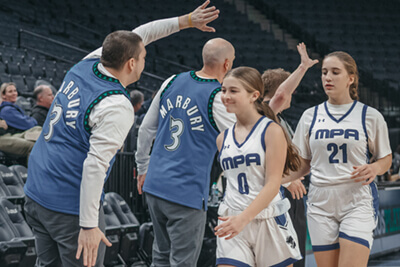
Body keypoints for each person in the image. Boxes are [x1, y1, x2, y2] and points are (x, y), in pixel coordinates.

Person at [23, 2, 220, 266]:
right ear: (131, 63)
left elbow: (141, 34)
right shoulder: (116, 103)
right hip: (67, 205)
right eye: (143, 57)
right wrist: (89, 225)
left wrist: (186, 20)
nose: (144, 60)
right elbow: (95, 166)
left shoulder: (86, 64)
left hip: (36, 191)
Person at [284, 51, 392, 266]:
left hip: (356, 198)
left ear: (350, 78)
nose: (327, 78)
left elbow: (385, 159)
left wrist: (374, 169)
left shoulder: (369, 115)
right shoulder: (310, 116)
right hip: (320, 201)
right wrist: (275, 179)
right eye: (324, 72)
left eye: (335, 72)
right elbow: (303, 164)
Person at [135, 37, 236, 266]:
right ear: (227, 64)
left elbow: (146, 130)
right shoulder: (217, 98)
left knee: (160, 256)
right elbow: (242, 141)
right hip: (186, 192)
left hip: (155, 184)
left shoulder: (171, 81)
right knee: (182, 262)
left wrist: (142, 167)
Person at [214, 66, 302, 266]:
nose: (226, 96)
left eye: (233, 91)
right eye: (224, 90)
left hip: (269, 220)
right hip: (232, 219)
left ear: (254, 95)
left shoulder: (271, 131)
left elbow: (273, 184)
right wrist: (238, 219)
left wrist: (244, 218)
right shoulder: (222, 138)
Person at [262, 42, 318, 267]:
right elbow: (260, 157)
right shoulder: (264, 114)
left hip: (290, 192)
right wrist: (286, 182)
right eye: (291, 91)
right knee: (286, 256)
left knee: (295, 254)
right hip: (279, 194)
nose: (292, 96)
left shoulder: (280, 119)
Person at [0, 82, 41, 156]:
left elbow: (31, 123)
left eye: (15, 91)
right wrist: (32, 120)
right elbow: (29, 124)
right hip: (7, 136)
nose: (14, 93)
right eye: (10, 91)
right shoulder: (7, 110)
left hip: (14, 134)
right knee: (33, 146)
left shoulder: (14, 107)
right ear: (3, 95)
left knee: (38, 129)